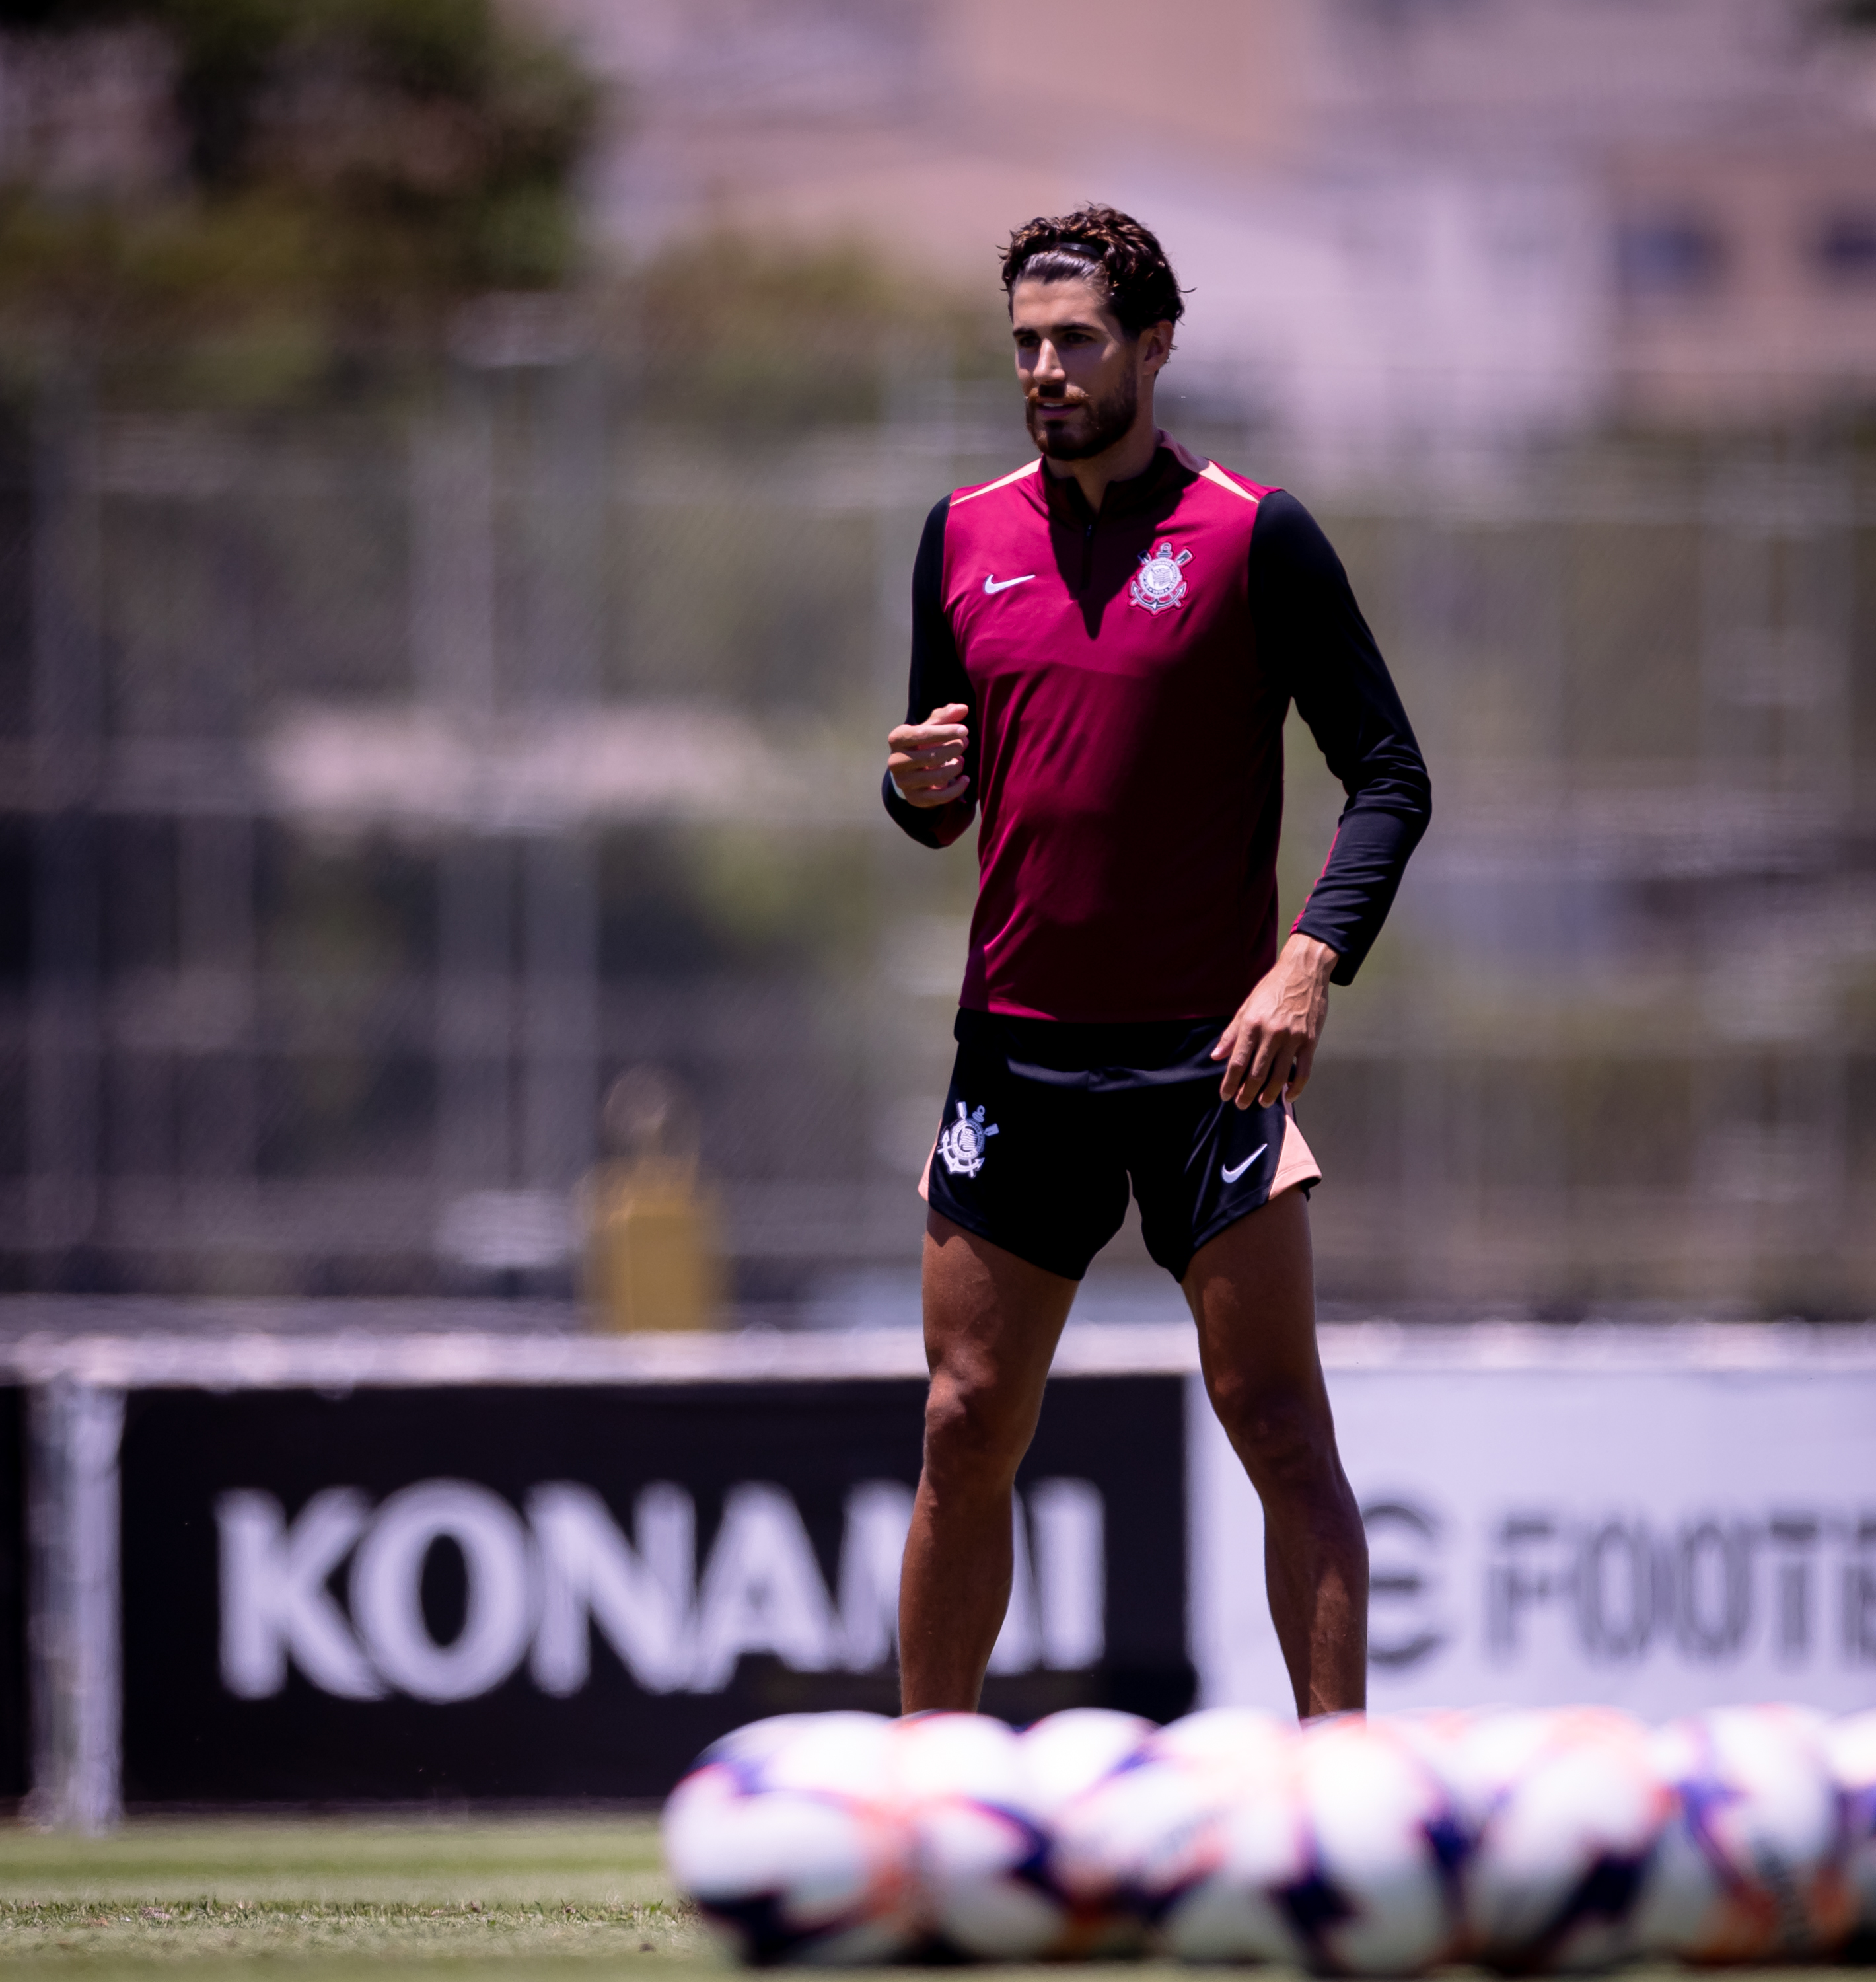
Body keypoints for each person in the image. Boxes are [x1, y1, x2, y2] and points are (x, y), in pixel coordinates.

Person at [882, 205, 1431, 1721]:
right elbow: (938, 793)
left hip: (1212, 1059)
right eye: (1025, 346)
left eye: (1075, 342)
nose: (1045, 371)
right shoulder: (960, 535)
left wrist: (1308, 960)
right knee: (962, 1422)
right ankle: (928, 1809)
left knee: (1275, 1423)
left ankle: (1342, 1805)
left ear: (1153, 346)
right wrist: (916, 793)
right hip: (1016, 1054)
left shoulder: (1257, 535)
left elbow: (1390, 775)